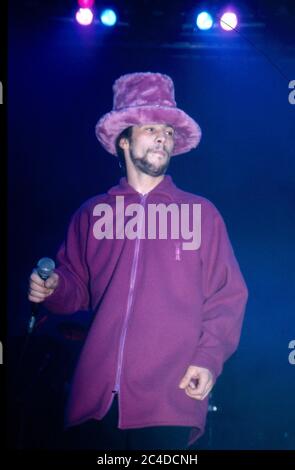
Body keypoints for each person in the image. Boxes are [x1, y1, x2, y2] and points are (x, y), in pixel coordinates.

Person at [28, 72, 248, 450]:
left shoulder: (201, 214)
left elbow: (228, 296)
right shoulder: (93, 213)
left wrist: (209, 357)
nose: (163, 136)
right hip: (92, 403)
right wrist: (54, 287)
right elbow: (76, 287)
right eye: (151, 128)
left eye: (168, 130)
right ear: (124, 141)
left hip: (169, 398)